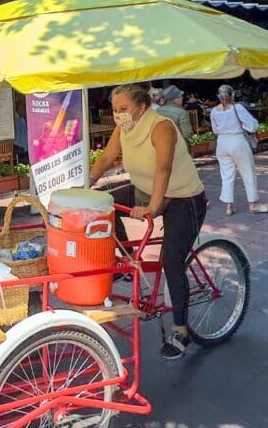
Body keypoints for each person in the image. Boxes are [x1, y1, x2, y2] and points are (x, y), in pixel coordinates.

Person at [90, 84, 207, 360]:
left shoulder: (161, 126)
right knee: (104, 207)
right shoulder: (124, 129)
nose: (118, 115)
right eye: (115, 110)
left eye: (123, 109)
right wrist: (84, 186)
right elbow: (106, 157)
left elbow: (163, 169)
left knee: (171, 261)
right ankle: (130, 259)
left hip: (182, 197)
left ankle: (180, 330)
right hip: (144, 189)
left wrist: (153, 207)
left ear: (141, 108)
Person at [210, 84, 267, 215]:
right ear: (233, 95)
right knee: (248, 172)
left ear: (218, 96)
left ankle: (229, 206)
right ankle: (253, 204)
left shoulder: (214, 111)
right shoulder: (238, 108)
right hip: (237, 141)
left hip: (222, 143)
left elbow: (215, 130)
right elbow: (252, 126)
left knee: (226, 175)